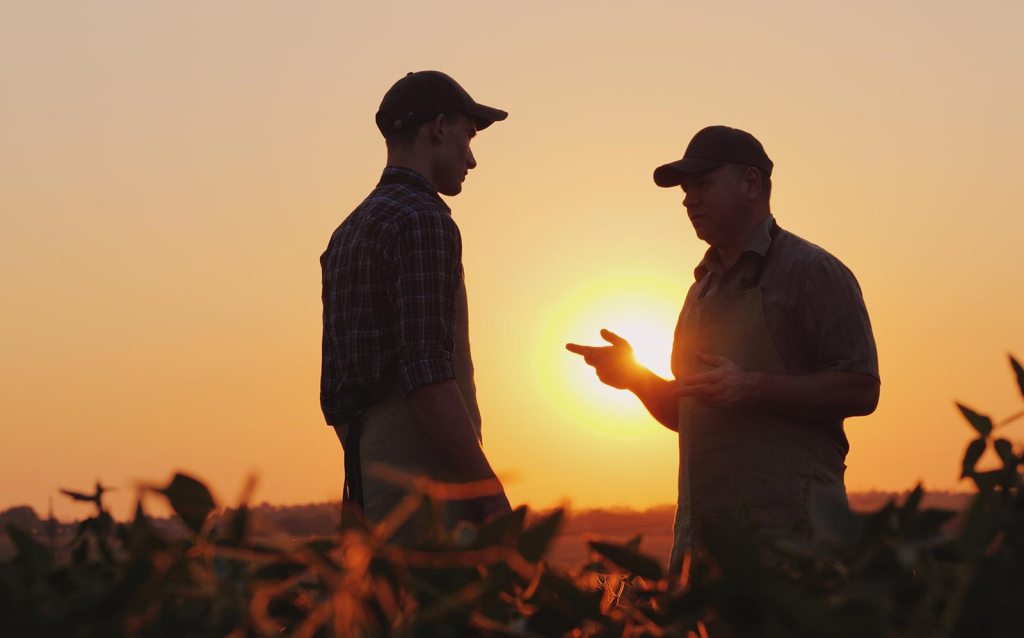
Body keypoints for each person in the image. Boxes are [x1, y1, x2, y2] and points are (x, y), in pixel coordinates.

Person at [567, 125, 879, 573]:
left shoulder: (814, 273)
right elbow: (690, 416)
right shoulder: (699, 292)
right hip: (702, 553)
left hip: (794, 552)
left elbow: (862, 389)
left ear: (752, 183)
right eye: (686, 190)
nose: (689, 200)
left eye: (704, 184)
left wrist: (753, 387)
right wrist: (635, 378)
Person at [320, 71, 511, 541]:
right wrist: (486, 490)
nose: (472, 158)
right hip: (430, 498)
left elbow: (335, 396)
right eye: (468, 136)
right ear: (439, 128)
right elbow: (427, 373)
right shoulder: (424, 220)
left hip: (368, 487)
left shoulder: (345, 234)